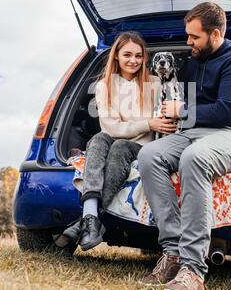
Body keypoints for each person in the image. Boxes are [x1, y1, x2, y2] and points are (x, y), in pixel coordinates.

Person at [138, 2, 231, 290]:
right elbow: (183, 102)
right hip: (191, 132)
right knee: (149, 156)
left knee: (194, 159)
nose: (188, 42)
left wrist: (183, 110)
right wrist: (170, 114)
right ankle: (173, 253)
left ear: (215, 34)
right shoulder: (192, 61)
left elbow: (227, 111)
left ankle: (193, 271)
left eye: (194, 37)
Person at [56, 31, 177, 251]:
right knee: (99, 138)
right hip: (113, 138)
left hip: (143, 146)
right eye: (127, 55)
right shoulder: (104, 86)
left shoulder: (156, 83)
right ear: (117, 56)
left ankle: (86, 219)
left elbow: (166, 120)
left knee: (120, 146)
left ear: (144, 58)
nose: (133, 61)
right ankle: (91, 220)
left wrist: (158, 124)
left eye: (139, 56)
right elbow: (110, 127)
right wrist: (148, 124)